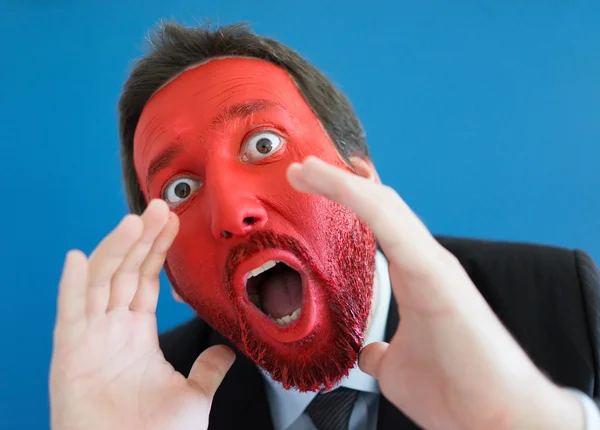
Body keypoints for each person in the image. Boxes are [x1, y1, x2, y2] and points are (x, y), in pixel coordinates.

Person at [49, 21, 600, 430]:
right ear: (167, 272)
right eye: (181, 190)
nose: (233, 214)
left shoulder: (564, 302)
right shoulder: (143, 393)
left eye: (263, 144)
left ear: (361, 180)